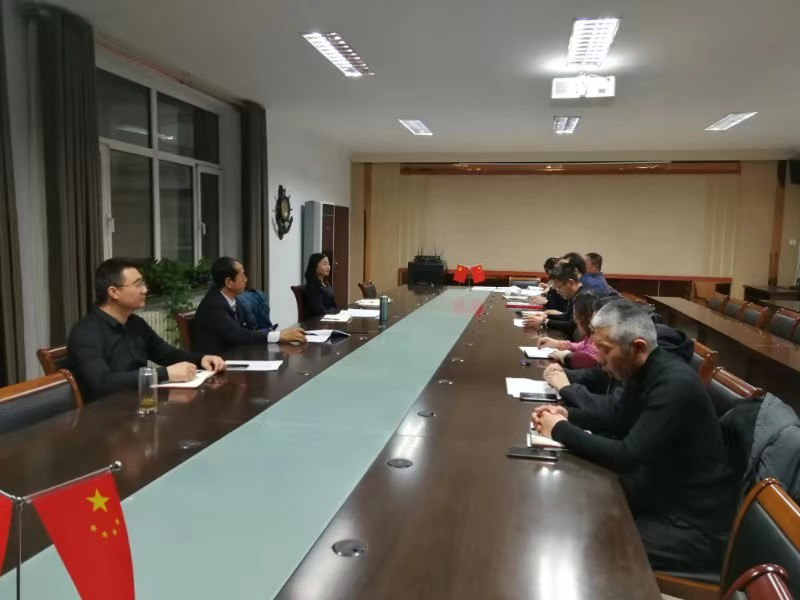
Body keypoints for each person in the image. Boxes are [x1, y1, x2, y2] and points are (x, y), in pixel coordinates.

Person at [531, 300, 738, 572]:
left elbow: (627, 455)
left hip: (693, 525)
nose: (599, 360)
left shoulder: (674, 385)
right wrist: (567, 415)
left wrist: (559, 429)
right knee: (576, 510)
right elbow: (616, 416)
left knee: (591, 539)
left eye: (605, 350)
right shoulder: (643, 369)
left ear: (638, 347)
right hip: (660, 492)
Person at [67, 258, 226, 401]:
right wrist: (164, 374)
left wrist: (201, 359)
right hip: (107, 413)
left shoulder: (135, 323)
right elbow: (102, 383)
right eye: (138, 285)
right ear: (113, 292)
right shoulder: (85, 333)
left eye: (143, 284)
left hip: (141, 402)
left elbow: (167, 354)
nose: (144, 290)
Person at [192, 257, 306, 356]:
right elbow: (237, 335)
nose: (246, 279)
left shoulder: (233, 299)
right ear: (229, 282)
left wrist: (278, 334)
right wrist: (278, 336)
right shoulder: (214, 305)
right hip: (218, 363)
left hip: (237, 355)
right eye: (242, 275)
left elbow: (246, 332)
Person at [536, 290, 599, 369]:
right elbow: (580, 346)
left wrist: (563, 355)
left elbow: (588, 359)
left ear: (584, 318)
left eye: (575, 316)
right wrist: (557, 344)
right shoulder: (590, 334)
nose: (575, 321)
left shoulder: (598, 336)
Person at [523, 263, 588, 338]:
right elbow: (567, 316)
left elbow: (572, 326)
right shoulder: (575, 294)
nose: (557, 292)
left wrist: (544, 322)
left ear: (570, 283)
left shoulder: (584, 297)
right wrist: (546, 316)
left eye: (559, 288)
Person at [303, 253, 338, 318]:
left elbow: (333, 303)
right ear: (314, 266)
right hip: (318, 321)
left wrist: (338, 312)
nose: (328, 267)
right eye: (325, 264)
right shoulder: (313, 287)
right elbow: (318, 310)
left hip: (330, 317)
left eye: (328, 264)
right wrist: (334, 312)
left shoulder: (326, 284)